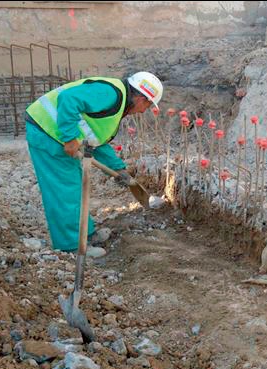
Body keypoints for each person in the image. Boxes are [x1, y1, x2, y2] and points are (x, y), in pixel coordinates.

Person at [25, 72, 163, 255]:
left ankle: (87, 234)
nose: (144, 111)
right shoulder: (110, 93)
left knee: (76, 185)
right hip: (46, 132)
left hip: (54, 134)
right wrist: (70, 137)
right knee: (65, 189)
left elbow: (95, 139)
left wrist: (118, 168)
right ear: (140, 97)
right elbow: (68, 98)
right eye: (147, 105)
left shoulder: (118, 102)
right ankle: (72, 246)